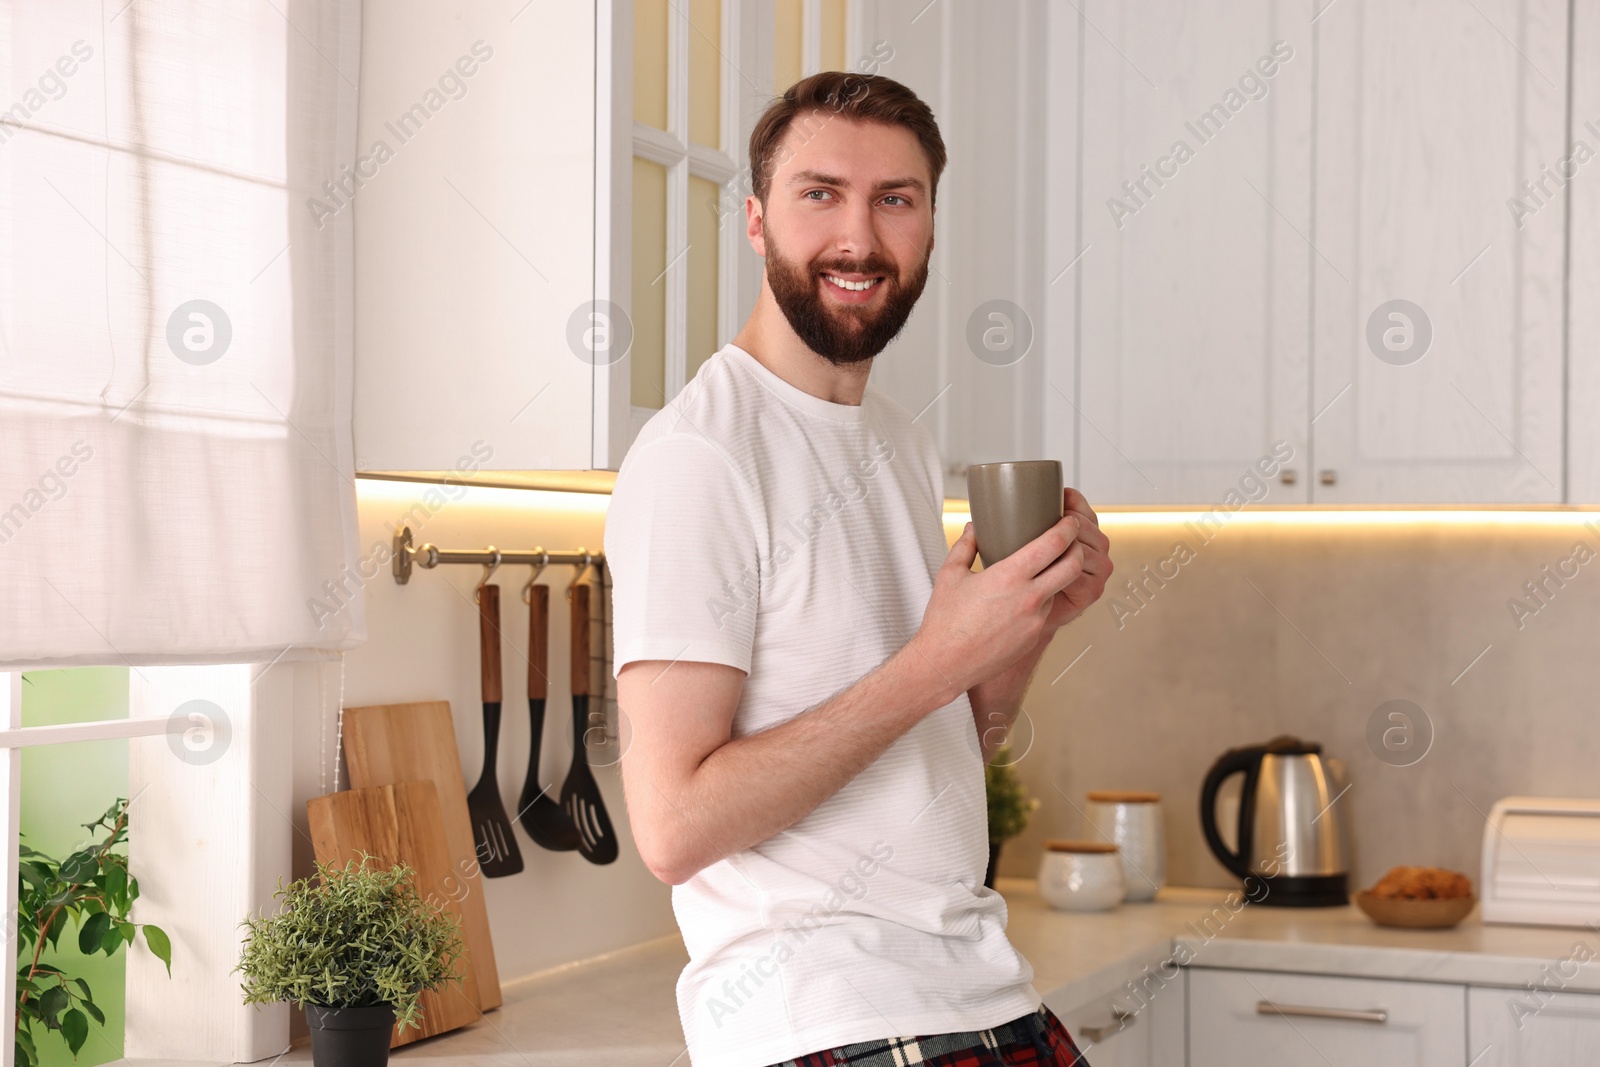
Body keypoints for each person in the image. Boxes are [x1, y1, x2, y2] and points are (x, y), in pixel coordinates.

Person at [604, 70, 1113, 1067]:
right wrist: (936, 657)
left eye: (895, 199)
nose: (859, 239)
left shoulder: (899, 441)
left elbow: (942, 741)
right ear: (755, 220)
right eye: (819, 193)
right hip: (829, 1020)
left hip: (979, 986)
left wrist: (1022, 626)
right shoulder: (699, 456)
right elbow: (673, 825)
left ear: (928, 224)